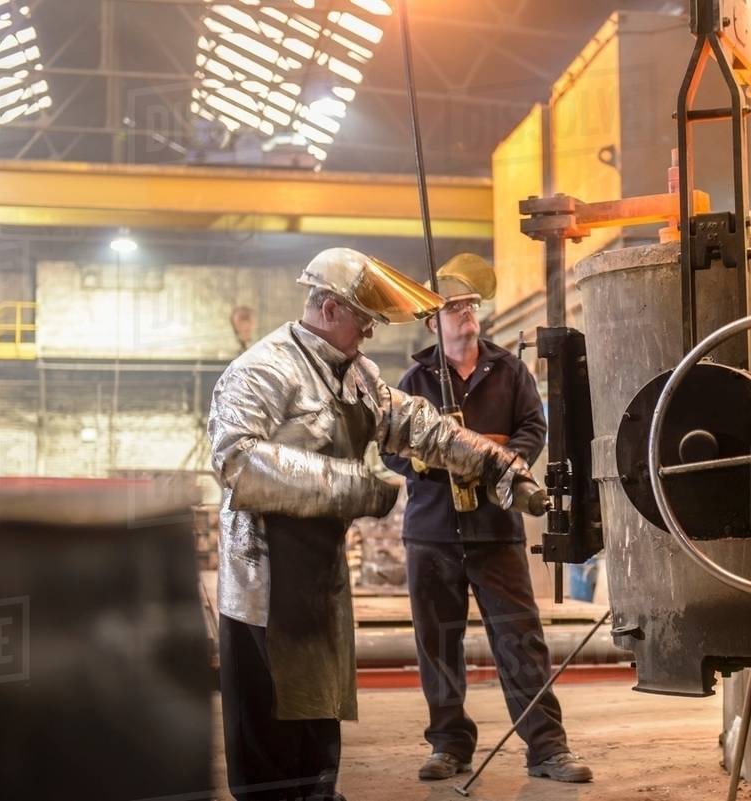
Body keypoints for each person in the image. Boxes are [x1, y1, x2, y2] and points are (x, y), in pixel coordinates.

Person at [208, 248, 548, 801]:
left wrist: (493, 463)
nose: (369, 330)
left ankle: (318, 792)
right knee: (269, 709)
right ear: (326, 307)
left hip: (317, 568)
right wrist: (355, 486)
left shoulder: (357, 373)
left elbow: (420, 427)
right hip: (266, 574)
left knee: (320, 696)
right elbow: (237, 462)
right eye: (362, 317)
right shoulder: (261, 370)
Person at [386, 254, 593, 784]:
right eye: (453, 308)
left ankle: (547, 748)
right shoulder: (414, 380)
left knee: (520, 638)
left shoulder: (508, 369)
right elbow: (390, 448)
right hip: (431, 532)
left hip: (495, 529)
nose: (465, 314)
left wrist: (500, 458)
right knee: (438, 644)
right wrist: (438, 459)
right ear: (433, 322)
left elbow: (532, 429)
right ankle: (449, 746)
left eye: (470, 305)